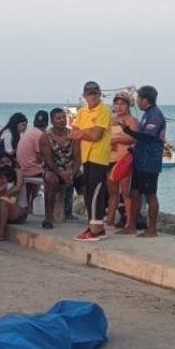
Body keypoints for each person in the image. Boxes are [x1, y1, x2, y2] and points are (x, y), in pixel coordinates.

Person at [117, 85, 166, 237]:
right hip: (140, 160)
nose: (136, 101)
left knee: (150, 194)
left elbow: (148, 136)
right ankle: (131, 224)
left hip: (150, 161)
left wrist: (129, 132)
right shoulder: (146, 115)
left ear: (145, 100)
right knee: (135, 192)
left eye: (138, 98)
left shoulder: (155, 115)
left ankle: (152, 229)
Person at [70, 81, 112, 242]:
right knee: (88, 193)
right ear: (85, 96)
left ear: (99, 94)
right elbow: (73, 134)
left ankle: (95, 229)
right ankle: (94, 226)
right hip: (86, 157)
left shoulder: (103, 111)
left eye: (95, 93)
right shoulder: (82, 112)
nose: (93, 96)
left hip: (98, 157)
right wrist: (86, 132)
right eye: (89, 94)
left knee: (96, 193)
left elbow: (96, 136)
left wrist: (83, 132)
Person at [105, 93, 137, 232]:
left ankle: (129, 222)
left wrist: (117, 140)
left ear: (128, 105)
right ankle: (110, 220)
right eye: (117, 104)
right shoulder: (111, 120)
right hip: (109, 158)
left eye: (122, 104)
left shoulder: (132, 121)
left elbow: (134, 138)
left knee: (125, 191)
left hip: (124, 158)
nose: (119, 107)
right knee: (112, 192)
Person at [41, 108, 76, 229]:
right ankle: (48, 217)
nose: (62, 120)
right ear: (52, 121)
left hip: (70, 169)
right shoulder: (45, 136)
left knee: (86, 181)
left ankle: (92, 218)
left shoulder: (73, 135)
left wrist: (73, 173)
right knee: (52, 181)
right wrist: (61, 175)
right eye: (58, 118)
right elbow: (48, 161)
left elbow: (78, 157)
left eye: (63, 117)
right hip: (53, 170)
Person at [0, 165, 29, 241]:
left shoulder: (11, 185)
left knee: (3, 201)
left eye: (2, 179)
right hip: (5, 212)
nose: (1, 180)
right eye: (0, 178)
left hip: (18, 213)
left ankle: (1, 233)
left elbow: (4, 189)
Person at [16, 110, 48, 212]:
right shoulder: (40, 135)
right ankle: (36, 205)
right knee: (53, 174)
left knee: (38, 170)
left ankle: (29, 205)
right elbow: (39, 158)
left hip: (22, 168)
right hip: (31, 170)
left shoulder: (29, 132)